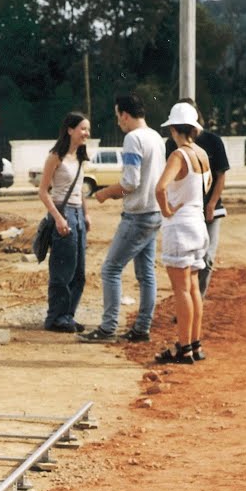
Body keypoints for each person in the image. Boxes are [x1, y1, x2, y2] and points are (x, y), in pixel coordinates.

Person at [80, 94, 163, 344]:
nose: (118, 123)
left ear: (125, 115)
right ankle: (141, 328)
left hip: (137, 215)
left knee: (111, 269)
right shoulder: (156, 137)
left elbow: (130, 182)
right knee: (146, 274)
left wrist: (105, 193)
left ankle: (107, 328)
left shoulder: (133, 138)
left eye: (118, 117)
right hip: (154, 212)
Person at [154, 102, 211, 365]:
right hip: (198, 224)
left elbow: (160, 188)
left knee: (181, 291)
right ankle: (195, 345)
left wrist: (166, 210)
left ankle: (184, 347)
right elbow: (207, 184)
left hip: (180, 226)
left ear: (174, 129)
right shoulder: (201, 154)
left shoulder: (178, 156)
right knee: (193, 288)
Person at [161, 98, 230, 301]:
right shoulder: (171, 146)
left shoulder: (213, 142)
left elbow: (220, 175)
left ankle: (195, 299)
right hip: (187, 213)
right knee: (185, 264)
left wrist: (211, 203)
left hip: (209, 210)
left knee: (206, 259)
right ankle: (189, 305)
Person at [38, 112, 92, 333]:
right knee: (63, 270)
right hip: (63, 213)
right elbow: (42, 191)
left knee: (79, 271)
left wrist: (86, 215)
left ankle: (68, 315)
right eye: (82, 128)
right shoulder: (55, 156)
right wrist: (58, 218)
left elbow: (79, 191)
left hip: (78, 214)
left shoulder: (80, 156)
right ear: (70, 130)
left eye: (88, 129)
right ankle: (56, 318)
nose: (86, 133)